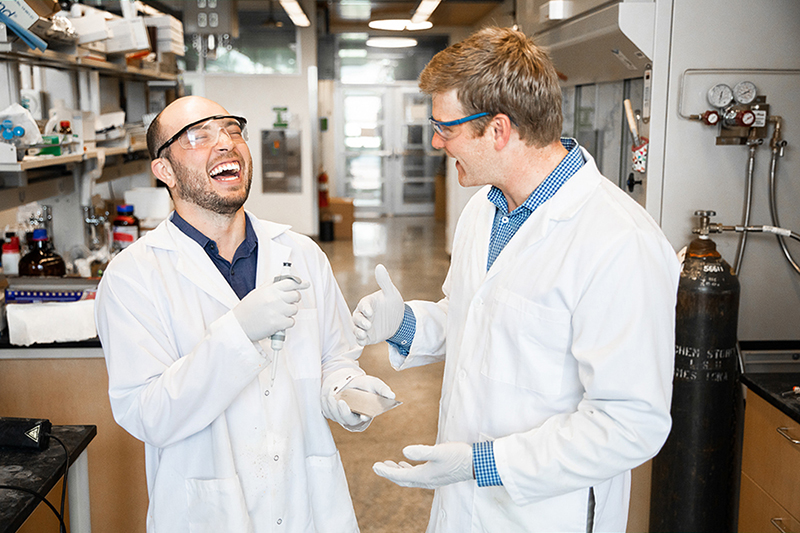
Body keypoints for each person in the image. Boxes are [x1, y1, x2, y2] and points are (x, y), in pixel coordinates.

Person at [352, 27, 680, 532]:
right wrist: (407, 324)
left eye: (447, 128)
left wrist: (485, 464)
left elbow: (630, 424)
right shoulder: (486, 211)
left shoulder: (618, 241)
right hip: (464, 506)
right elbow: (476, 316)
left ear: (499, 130)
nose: (437, 142)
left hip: (547, 513)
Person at [95, 95, 394, 533]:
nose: (225, 144)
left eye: (232, 130)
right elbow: (148, 414)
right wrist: (237, 335)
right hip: (207, 513)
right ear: (165, 171)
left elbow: (335, 359)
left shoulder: (301, 254)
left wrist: (347, 393)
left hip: (305, 504)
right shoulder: (133, 277)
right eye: (198, 135)